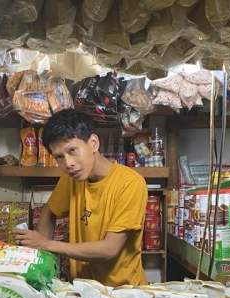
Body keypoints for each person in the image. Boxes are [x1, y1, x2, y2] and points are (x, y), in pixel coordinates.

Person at [12, 109, 148, 287]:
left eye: (72, 150)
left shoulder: (130, 183)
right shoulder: (72, 178)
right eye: (59, 157)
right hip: (81, 290)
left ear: (93, 143)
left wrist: (46, 245)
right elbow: (49, 211)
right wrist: (40, 259)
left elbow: (110, 249)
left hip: (122, 294)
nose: (68, 164)